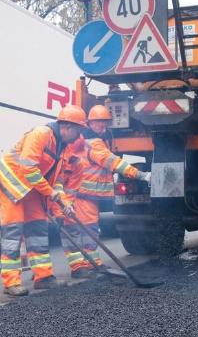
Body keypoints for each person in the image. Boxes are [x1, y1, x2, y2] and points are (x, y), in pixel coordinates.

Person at [0, 105, 87, 296]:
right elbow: (28, 169)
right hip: (12, 184)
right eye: (78, 130)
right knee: (13, 232)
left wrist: (62, 201)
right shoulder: (41, 134)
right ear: (66, 126)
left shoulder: (63, 148)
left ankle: (44, 277)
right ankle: (11, 282)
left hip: (32, 187)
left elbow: (57, 180)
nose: (79, 136)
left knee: (38, 229)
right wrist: (51, 193)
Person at [55, 105, 149, 277]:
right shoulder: (93, 143)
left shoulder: (96, 140)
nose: (103, 127)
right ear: (89, 123)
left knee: (90, 229)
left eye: (105, 123)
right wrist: (139, 174)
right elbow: (113, 162)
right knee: (76, 229)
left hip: (88, 196)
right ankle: (78, 267)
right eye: (99, 123)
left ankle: (92, 262)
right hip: (79, 194)